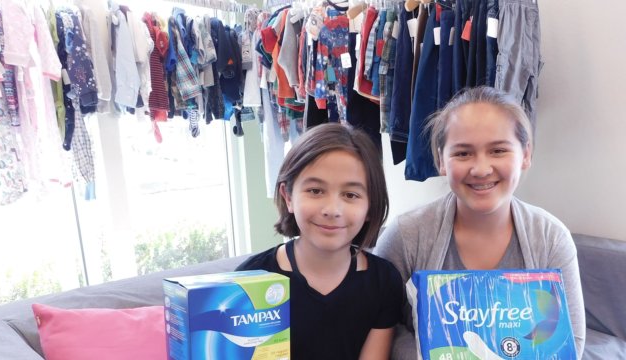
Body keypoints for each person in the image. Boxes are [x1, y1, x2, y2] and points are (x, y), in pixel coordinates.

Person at [374, 87, 585, 359]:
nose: (481, 169)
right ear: (441, 160)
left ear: (525, 154)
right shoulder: (405, 236)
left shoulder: (551, 237)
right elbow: (378, 327)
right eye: (463, 153)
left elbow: (572, 340)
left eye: (498, 150)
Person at [236, 123, 403, 360]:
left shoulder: (384, 281)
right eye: (315, 191)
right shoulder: (250, 280)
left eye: (350, 195)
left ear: (370, 206)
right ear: (288, 196)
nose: (332, 209)